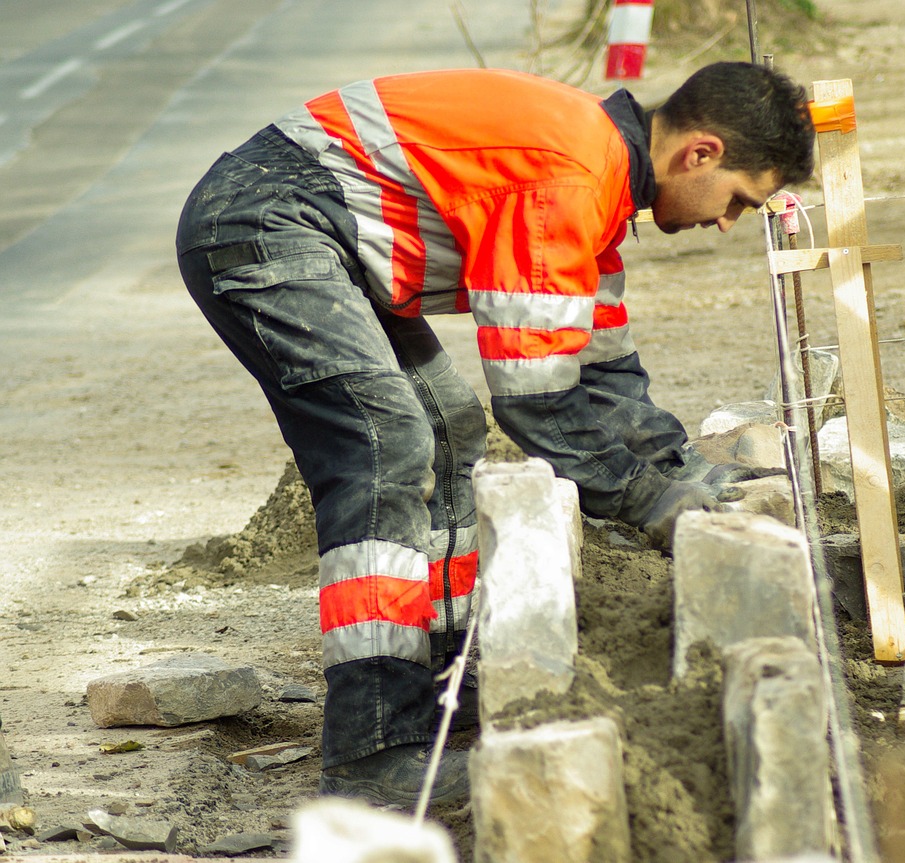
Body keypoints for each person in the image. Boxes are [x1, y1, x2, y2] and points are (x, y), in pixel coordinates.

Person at [175, 61, 815, 808]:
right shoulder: (570, 177)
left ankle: (441, 687)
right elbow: (537, 403)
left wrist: (695, 478)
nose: (727, 220)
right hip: (264, 219)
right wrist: (654, 504)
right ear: (699, 152)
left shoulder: (600, 180)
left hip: (313, 228)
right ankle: (373, 751)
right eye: (740, 199)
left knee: (447, 426)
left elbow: (607, 376)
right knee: (386, 442)